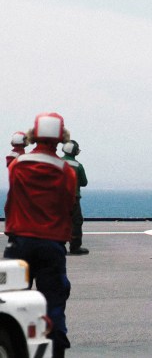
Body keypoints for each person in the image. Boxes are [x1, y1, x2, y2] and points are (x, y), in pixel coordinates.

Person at [5, 112, 78, 358]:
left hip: (19, 244)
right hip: (51, 246)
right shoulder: (66, 172)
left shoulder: (17, 166)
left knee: (11, 304)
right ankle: (54, 350)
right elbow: (68, 206)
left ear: (33, 135)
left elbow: (13, 195)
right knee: (53, 307)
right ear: (60, 138)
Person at [61, 140, 89, 255]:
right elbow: (84, 182)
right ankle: (75, 247)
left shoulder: (57, 162)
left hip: (58, 198)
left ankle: (59, 246)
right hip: (73, 198)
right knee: (76, 222)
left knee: (59, 221)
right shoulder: (78, 165)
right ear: (75, 152)